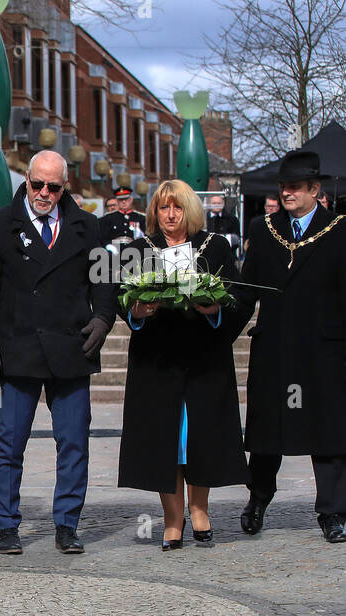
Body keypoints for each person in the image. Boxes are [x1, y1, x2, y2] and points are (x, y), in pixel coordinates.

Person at [0, 149, 118, 555]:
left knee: (74, 442)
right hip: (17, 349)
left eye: (53, 187)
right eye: (37, 184)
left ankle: (67, 525)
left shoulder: (87, 226)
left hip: (71, 348)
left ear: (63, 186)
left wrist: (103, 319)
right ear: (27, 180)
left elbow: (105, 280)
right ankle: (6, 526)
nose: (44, 193)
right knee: (9, 443)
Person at [117, 180, 252, 550]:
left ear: (190, 210)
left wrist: (215, 307)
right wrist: (137, 310)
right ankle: (172, 520)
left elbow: (240, 295)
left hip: (203, 358)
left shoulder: (216, 246)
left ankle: (200, 510)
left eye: (177, 208)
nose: (170, 215)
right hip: (157, 362)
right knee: (166, 440)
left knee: (200, 437)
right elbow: (120, 297)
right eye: (163, 208)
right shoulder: (138, 249)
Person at [239, 149, 346, 542]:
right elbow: (246, 291)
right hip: (275, 349)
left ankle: (333, 512)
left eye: (295, 187)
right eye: (283, 187)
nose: (287, 193)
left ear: (314, 189)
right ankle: (258, 499)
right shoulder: (263, 228)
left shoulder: (339, 229)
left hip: (323, 351)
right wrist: (215, 321)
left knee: (329, 434)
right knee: (267, 434)